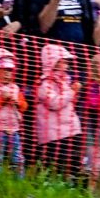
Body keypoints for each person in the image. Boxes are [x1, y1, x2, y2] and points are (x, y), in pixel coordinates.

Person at [34, 44, 82, 173]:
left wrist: (74, 93)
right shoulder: (45, 84)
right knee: (55, 168)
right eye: (63, 61)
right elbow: (54, 103)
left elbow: (69, 103)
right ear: (53, 62)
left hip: (69, 131)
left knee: (73, 166)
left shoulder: (65, 80)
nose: (67, 65)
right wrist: (72, 91)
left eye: (67, 62)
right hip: (54, 136)